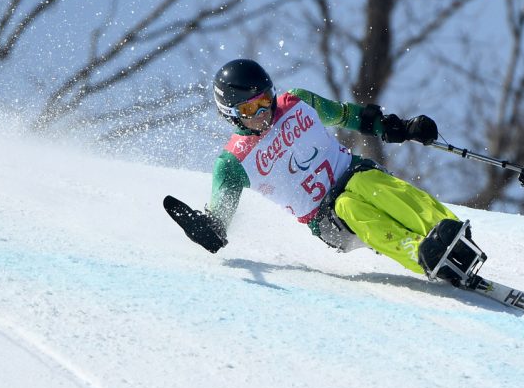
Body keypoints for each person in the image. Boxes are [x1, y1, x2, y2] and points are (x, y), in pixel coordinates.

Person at [189, 58, 486, 286]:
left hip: (352, 172)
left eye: (265, 101)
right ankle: (420, 252)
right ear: (231, 115)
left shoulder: (297, 103)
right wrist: (211, 229)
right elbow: (220, 212)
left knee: (370, 183)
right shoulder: (233, 162)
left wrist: (395, 125)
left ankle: (446, 228)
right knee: (350, 205)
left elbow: (347, 115)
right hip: (326, 216)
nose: (263, 113)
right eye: (250, 110)